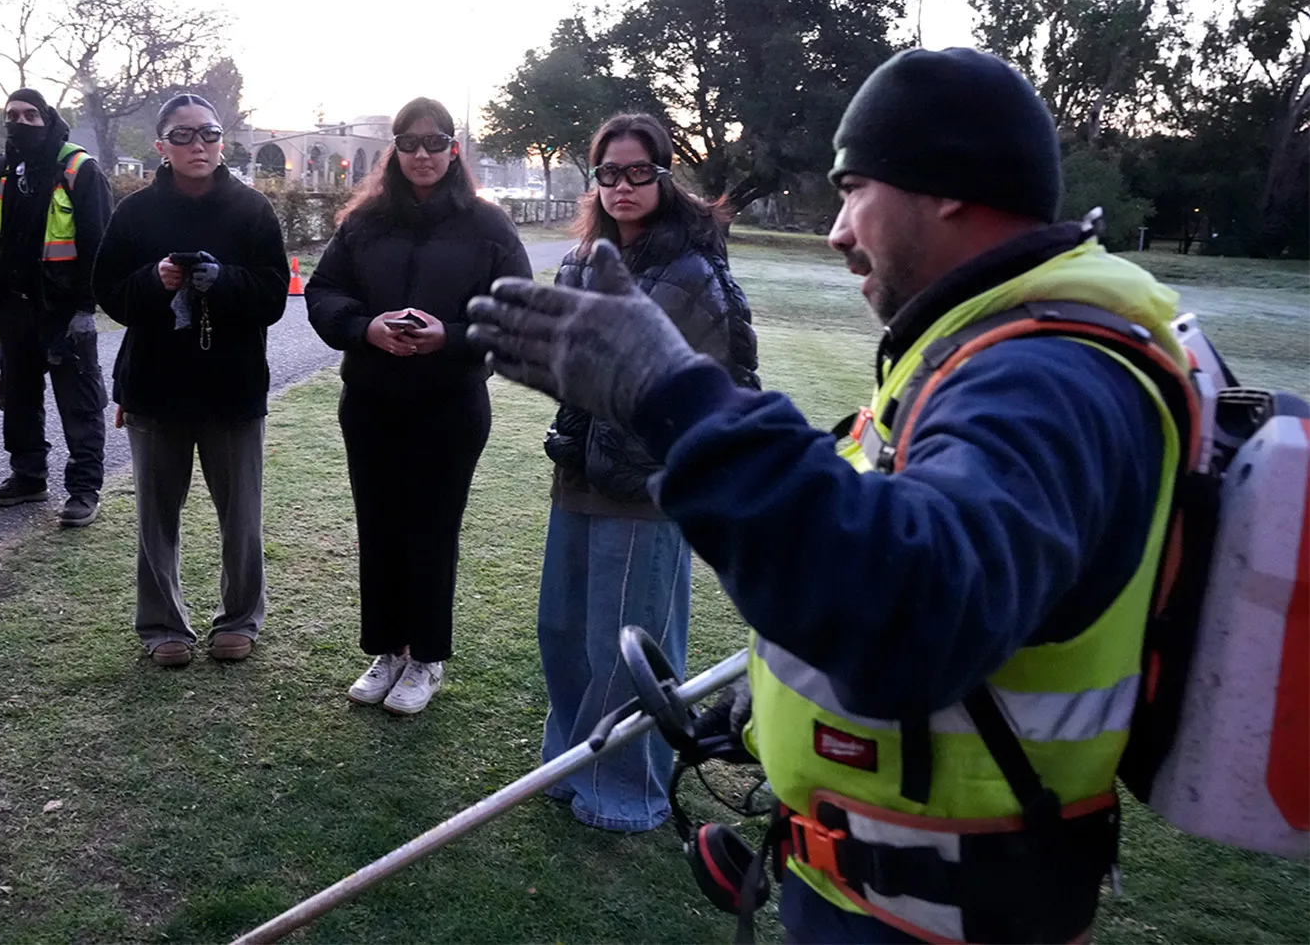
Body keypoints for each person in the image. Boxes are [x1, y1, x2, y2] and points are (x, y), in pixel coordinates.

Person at [470, 48, 1184, 944]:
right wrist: (786, 698)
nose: (840, 231)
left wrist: (675, 396)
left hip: (944, 915)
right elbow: (894, 544)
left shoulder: (1047, 376)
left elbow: (914, 615)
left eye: (852, 191)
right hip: (895, 889)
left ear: (949, 189)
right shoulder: (987, 349)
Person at [537, 114, 758, 833]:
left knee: (628, 643)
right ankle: (569, 764)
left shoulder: (694, 271)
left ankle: (627, 790)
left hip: (649, 481)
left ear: (664, 176)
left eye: (638, 172)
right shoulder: (581, 260)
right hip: (580, 469)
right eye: (609, 173)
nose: (622, 186)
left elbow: (724, 379)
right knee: (563, 628)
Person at [306, 96, 533, 715]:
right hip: (372, 399)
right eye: (409, 143)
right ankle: (388, 648)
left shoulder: (487, 226)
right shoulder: (365, 221)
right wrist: (366, 328)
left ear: (453, 149)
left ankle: (426, 657)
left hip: (449, 404)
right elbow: (324, 292)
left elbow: (517, 313)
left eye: (435, 143)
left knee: (432, 529)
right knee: (379, 525)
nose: (423, 154)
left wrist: (450, 337)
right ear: (395, 150)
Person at [92, 94, 289, 668]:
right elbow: (108, 293)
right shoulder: (135, 213)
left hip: (232, 385)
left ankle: (240, 618)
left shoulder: (252, 209)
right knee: (156, 518)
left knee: (242, 517)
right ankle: (162, 625)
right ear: (162, 146)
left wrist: (222, 281)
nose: (197, 144)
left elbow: (274, 297)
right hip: (155, 384)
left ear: (222, 142)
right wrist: (154, 281)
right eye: (182, 135)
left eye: (208, 133)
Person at [0, 88, 111, 526]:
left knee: (79, 404)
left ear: (48, 120)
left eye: (30, 115)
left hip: (65, 309)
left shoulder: (79, 169)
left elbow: (100, 243)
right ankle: (28, 477)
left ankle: (83, 491)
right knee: (18, 398)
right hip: (15, 305)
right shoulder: (0, 171)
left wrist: (85, 307)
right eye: (12, 115)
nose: (20, 123)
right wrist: (1, 271)